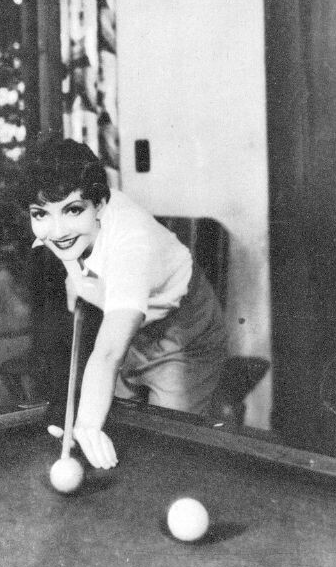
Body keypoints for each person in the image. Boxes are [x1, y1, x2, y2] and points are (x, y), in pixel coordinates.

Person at [21, 137, 227, 470]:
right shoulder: (65, 229)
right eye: (41, 213)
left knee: (170, 446)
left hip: (185, 333)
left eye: (73, 210)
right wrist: (77, 283)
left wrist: (86, 425)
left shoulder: (131, 247)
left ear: (100, 205)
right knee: (119, 427)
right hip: (129, 329)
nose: (56, 231)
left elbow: (107, 353)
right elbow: (70, 249)